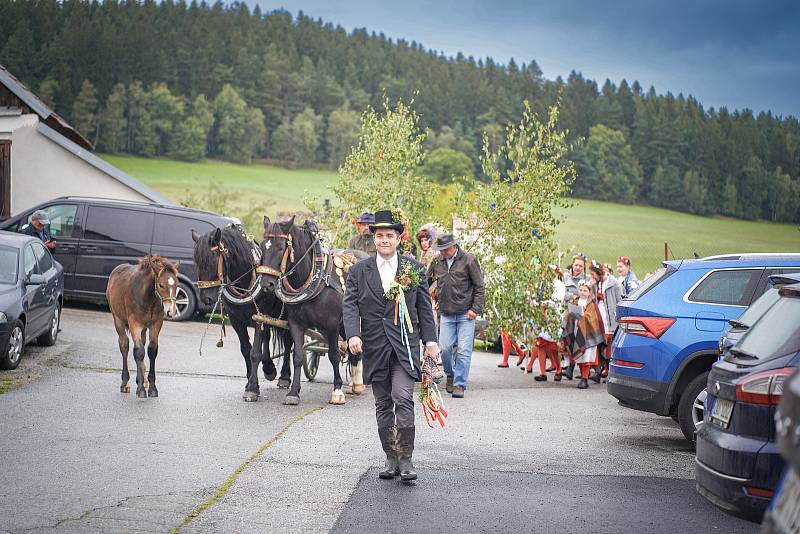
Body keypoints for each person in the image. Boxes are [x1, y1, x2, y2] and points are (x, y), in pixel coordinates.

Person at [343, 209, 439, 482]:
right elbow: (349, 304)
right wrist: (352, 334)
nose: (385, 240)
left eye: (390, 235)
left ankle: (406, 459)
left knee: (402, 398)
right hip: (373, 347)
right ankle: (390, 457)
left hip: (404, 347)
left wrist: (430, 342)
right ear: (374, 239)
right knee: (383, 403)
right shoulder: (358, 271)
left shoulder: (414, 269)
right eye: (380, 235)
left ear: (399, 239)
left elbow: (423, 309)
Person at [427, 233, 484, 398]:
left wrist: (475, 309)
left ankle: (459, 384)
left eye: (445, 250)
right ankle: (450, 374)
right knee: (444, 349)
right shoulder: (438, 261)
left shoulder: (469, 260)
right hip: (446, 313)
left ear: (454, 246)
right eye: (441, 250)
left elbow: (479, 286)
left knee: (464, 350)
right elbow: (426, 282)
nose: (442, 252)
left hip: (466, 314)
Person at [565, 281, 605, 389]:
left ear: (589, 292)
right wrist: (571, 314)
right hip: (576, 331)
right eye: (581, 290)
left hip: (587, 334)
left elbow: (593, 319)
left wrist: (583, 316)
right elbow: (568, 314)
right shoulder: (575, 301)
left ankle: (584, 379)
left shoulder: (592, 304)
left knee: (586, 355)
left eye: (585, 290)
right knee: (579, 356)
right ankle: (583, 375)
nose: (582, 292)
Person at [589, 262, 623, 381]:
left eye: (593, 274)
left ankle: (609, 372)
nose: (592, 277)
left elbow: (620, 301)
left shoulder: (613, 283)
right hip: (599, 317)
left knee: (609, 346)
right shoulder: (596, 284)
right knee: (598, 344)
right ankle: (598, 371)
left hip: (610, 319)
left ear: (599, 273)